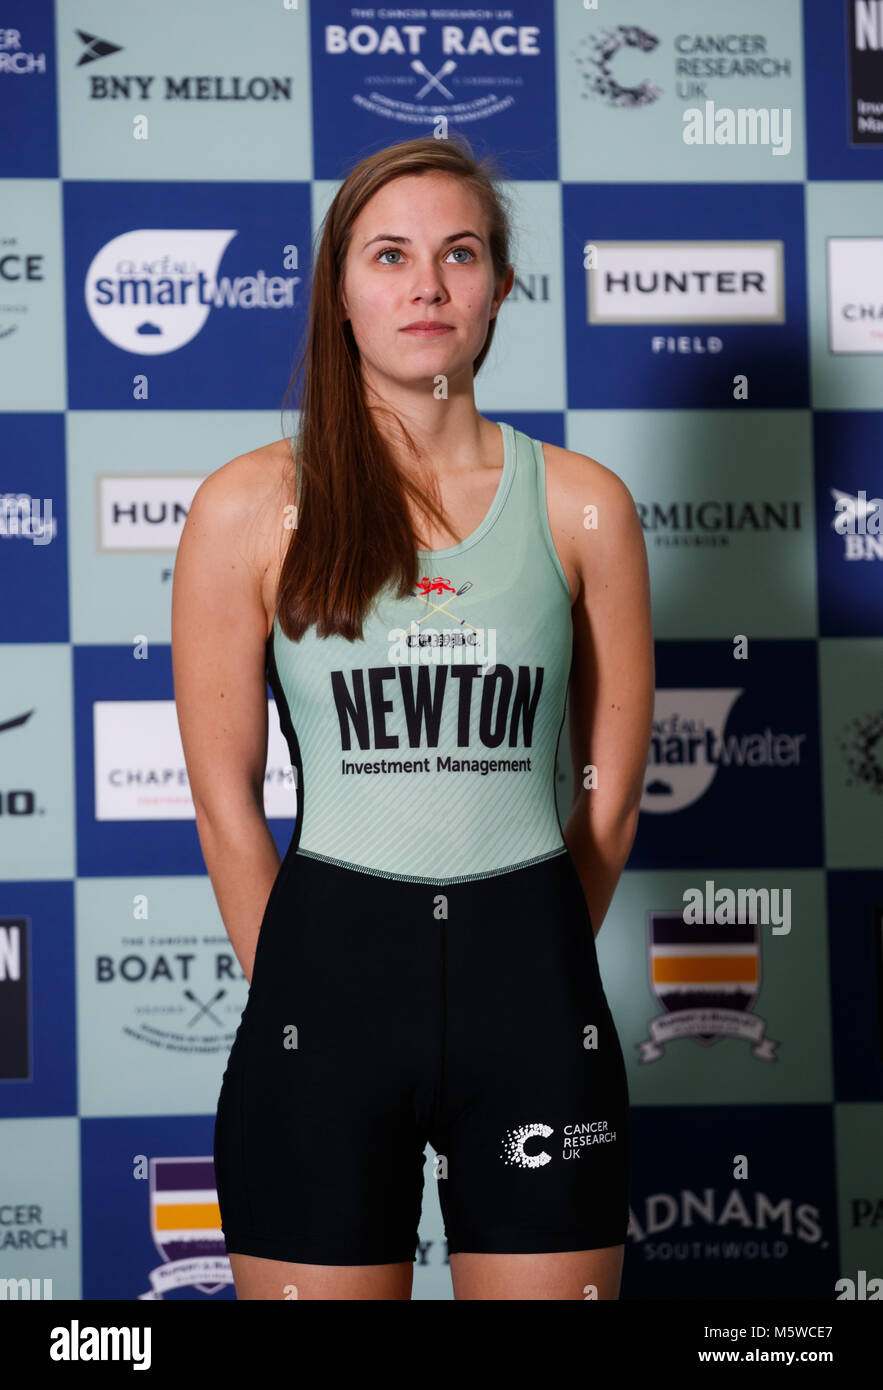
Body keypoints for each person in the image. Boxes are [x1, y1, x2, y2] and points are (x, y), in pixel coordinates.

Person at [171, 135, 654, 1301]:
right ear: (340, 290)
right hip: (322, 1009)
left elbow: (612, 793)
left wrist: (515, 958)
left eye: (460, 253)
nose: (427, 285)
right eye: (389, 255)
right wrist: (304, 984)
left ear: (497, 287)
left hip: (535, 1010)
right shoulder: (249, 507)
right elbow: (226, 801)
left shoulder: (583, 505)